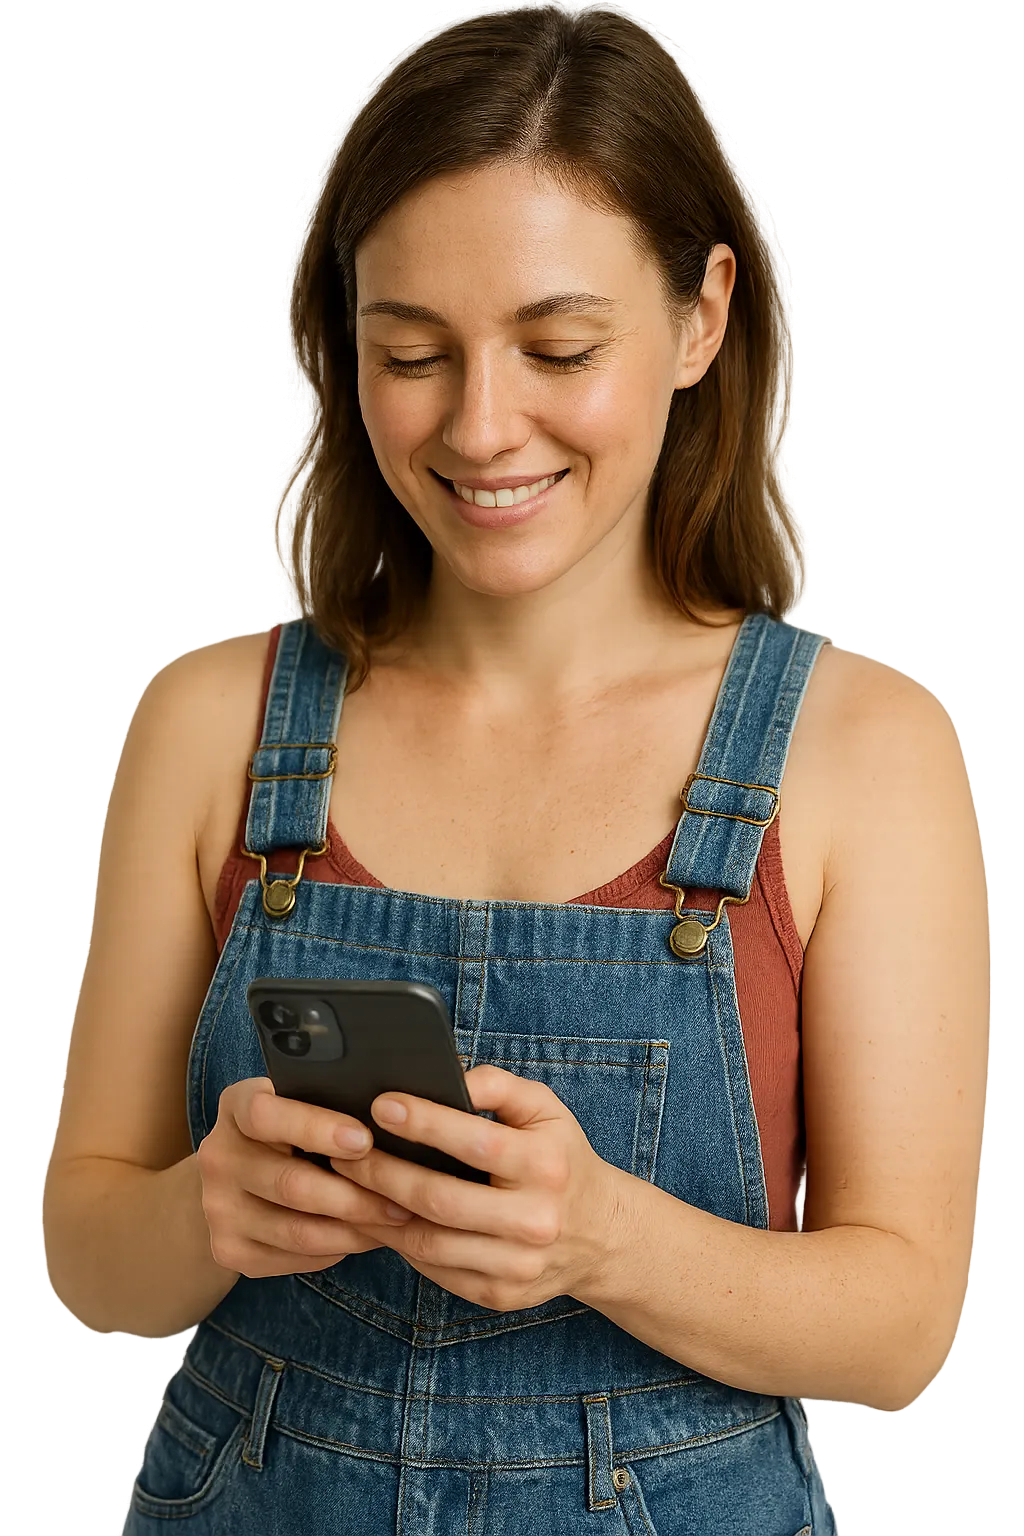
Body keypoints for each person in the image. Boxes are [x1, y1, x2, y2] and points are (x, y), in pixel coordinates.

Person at [42, 8, 989, 1533]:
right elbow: (92, 1250)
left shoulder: (862, 750)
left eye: (559, 349)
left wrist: (606, 1238)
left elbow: (901, 1323)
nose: (481, 428)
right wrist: (206, 1208)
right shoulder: (210, 724)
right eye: (410, 353)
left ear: (701, 317)